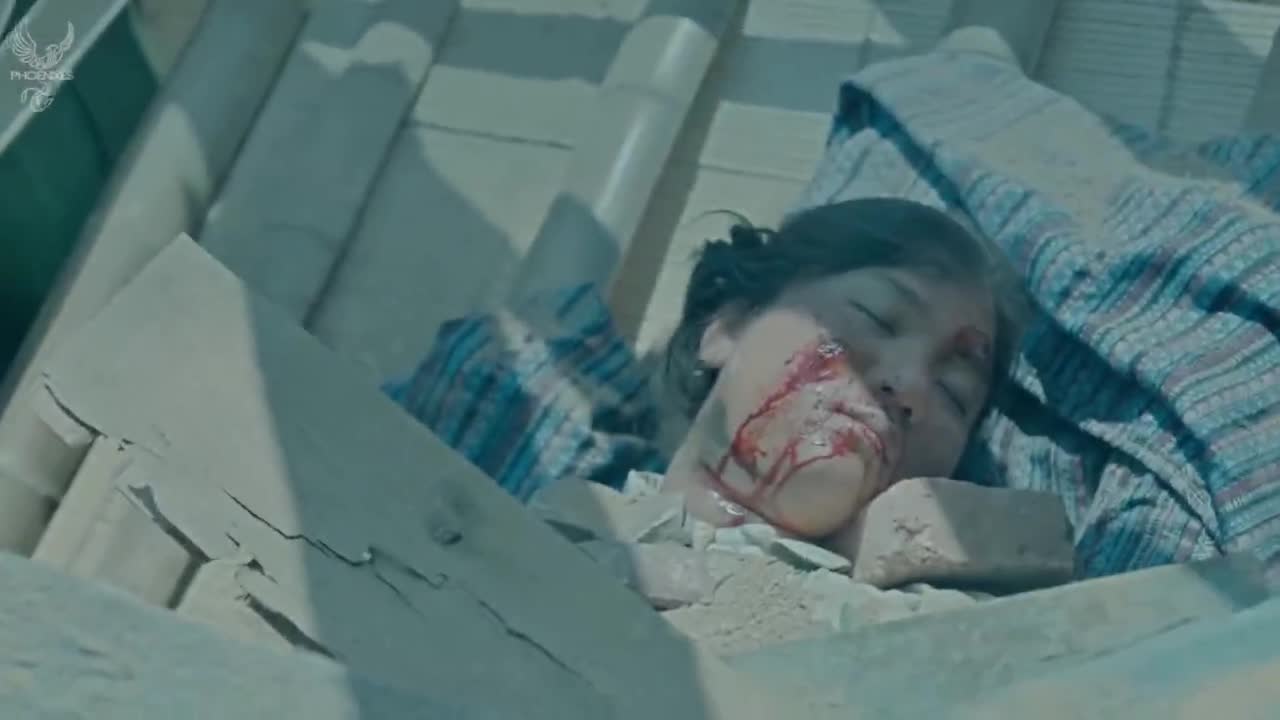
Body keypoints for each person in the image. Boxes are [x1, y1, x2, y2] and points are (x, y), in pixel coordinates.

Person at [385, 196, 1024, 547]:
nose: (910, 387)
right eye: (878, 316)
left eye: (954, 393)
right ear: (730, 325)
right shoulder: (511, 446)